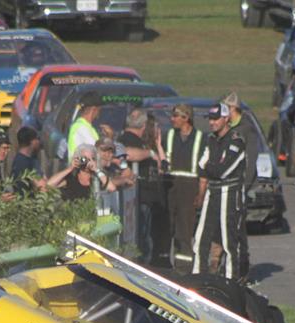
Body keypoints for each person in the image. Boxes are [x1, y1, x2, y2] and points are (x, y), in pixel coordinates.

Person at [192, 103, 247, 281]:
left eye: (216, 119)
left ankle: (231, 281)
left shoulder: (236, 140)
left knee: (229, 241)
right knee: (201, 238)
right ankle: (197, 278)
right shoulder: (210, 139)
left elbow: (223, 171)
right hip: (212, 192)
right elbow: (201, 166)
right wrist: (211, 168)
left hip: (230, 194)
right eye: (210, 119)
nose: (212, 123)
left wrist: (211, 167)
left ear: (226, 119)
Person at [161, 103, 207, 269]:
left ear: (186, 118)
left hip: (190, 188)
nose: (172, 119)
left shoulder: (201, 138)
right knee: (167, 228)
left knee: (184, 232)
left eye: (175, 116)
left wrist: (201, 194)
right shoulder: (169, 136)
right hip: (170, 186)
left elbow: (204, 171)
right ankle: (164, 266)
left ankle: (184, 269)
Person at [222, 92, 257, 282]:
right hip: (226, 187)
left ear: (233, 109)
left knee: (238, 229)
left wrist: (244, 185)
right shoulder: (226, 128)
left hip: (241, 187)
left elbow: (251, 161)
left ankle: (242, 269)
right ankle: (227, 266)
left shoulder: (247, 129)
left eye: (226, 108)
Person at [117, 108, 162, 260]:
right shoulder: (125, 140)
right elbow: (126, 153)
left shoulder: (142, 142)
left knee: (145, 239)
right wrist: (149, 154)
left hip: (145, 199)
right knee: (140, 241)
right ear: (143, 125)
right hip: (136, 200)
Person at [49, 143, 115, 202]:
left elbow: (112, 188)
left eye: (92, 158)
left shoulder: (98, 177)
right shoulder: (71, 177)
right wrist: (70, 168)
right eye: (84, 159)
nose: (87, 162)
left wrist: (96, 169)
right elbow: (49, 185)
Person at [67, 92, 102, 164]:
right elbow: (97, 151)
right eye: (99, 110)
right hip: (79, 172)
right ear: (94, 109)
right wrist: (110, 137)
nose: (99, 113)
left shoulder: (88, 127)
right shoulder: (81, 128)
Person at [10, 126, 47, 196]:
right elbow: (42, 188)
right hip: (28, 204)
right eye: (37, 139)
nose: (39, 142)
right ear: (32, 142)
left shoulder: (32, 159)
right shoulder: (22, 163)